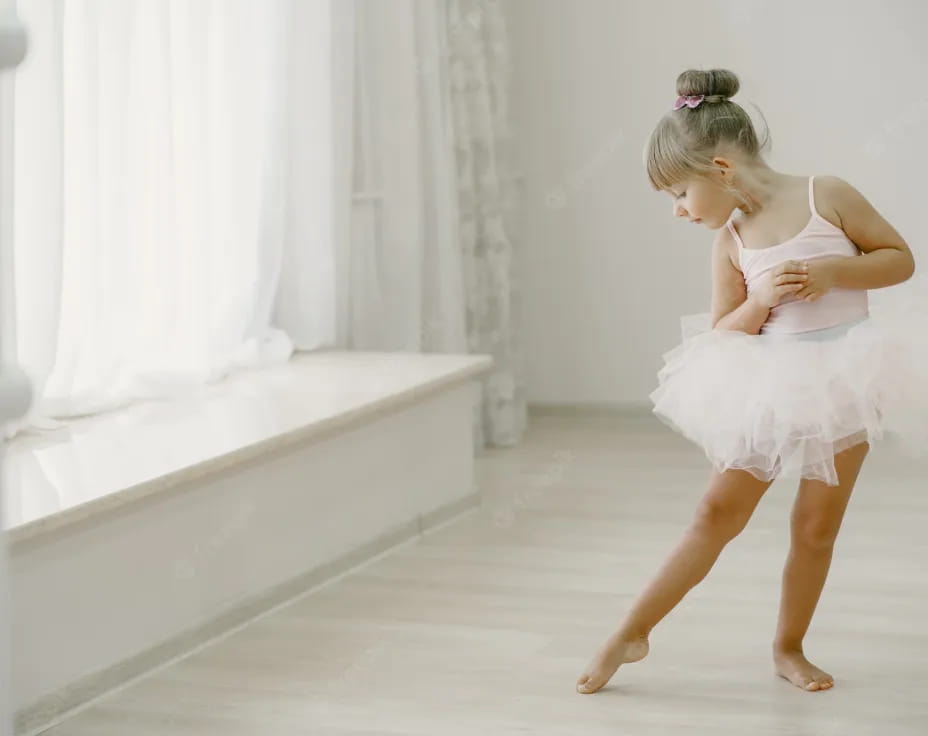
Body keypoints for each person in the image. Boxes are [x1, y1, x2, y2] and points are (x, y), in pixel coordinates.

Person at [576, 68, 927, 694]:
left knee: (816, 526)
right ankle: (632, 631)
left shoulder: (830, 194)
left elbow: (899, 259)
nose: (679, 212)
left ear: (719, 167)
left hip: (847, 379)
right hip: (771, 388)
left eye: (679, 194)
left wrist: (834, 273)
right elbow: (724, 332)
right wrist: (761, 298)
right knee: (716, 511)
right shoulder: (732, 240)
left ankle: (788, 648)